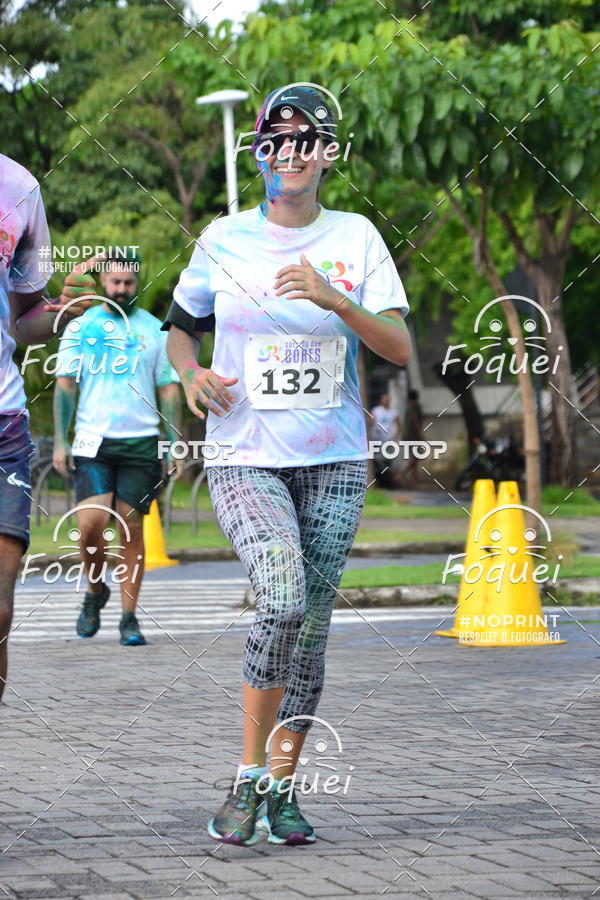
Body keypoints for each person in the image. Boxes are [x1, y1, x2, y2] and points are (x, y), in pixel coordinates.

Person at [164, 85, 411, 846]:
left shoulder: (359, 237)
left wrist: (336, 299)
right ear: (261, 154)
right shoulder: (224, 238)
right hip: (244, 455)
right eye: (277, 140)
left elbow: (400, 350)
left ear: (327, 154)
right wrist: (190, 374)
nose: (291, 151)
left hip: (333, 459)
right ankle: (245, 778)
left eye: (307, 139)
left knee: (311, 628)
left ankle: (283, 788)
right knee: (281, 597)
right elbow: (179, 331)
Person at [52, 250, 183, 647]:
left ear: (136, 283)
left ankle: (129, 617)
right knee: (90, 525)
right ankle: (95, 593)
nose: (122, 289)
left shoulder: (154, 329)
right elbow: (65, 385)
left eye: (128, 283)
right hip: (92, 441)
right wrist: (60, 439)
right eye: (115, 282)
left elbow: (169, 389)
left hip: (141, 442)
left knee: (131, 526)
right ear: (104, 283)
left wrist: (174, 443)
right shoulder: (80, 326)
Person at [0, 152, 94, 702]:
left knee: (1, 609)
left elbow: (23, 317)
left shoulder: (18, 186)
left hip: (4, 424)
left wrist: (63, 312)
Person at [402, 388, 425, 486]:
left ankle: (415, 478)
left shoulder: (408, 406)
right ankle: (402, 474)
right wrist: (419, 435)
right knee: (416, 457)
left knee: (413, 456)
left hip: (407, 435)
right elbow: (415, 421)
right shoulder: (415, 406)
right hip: (413, 435)